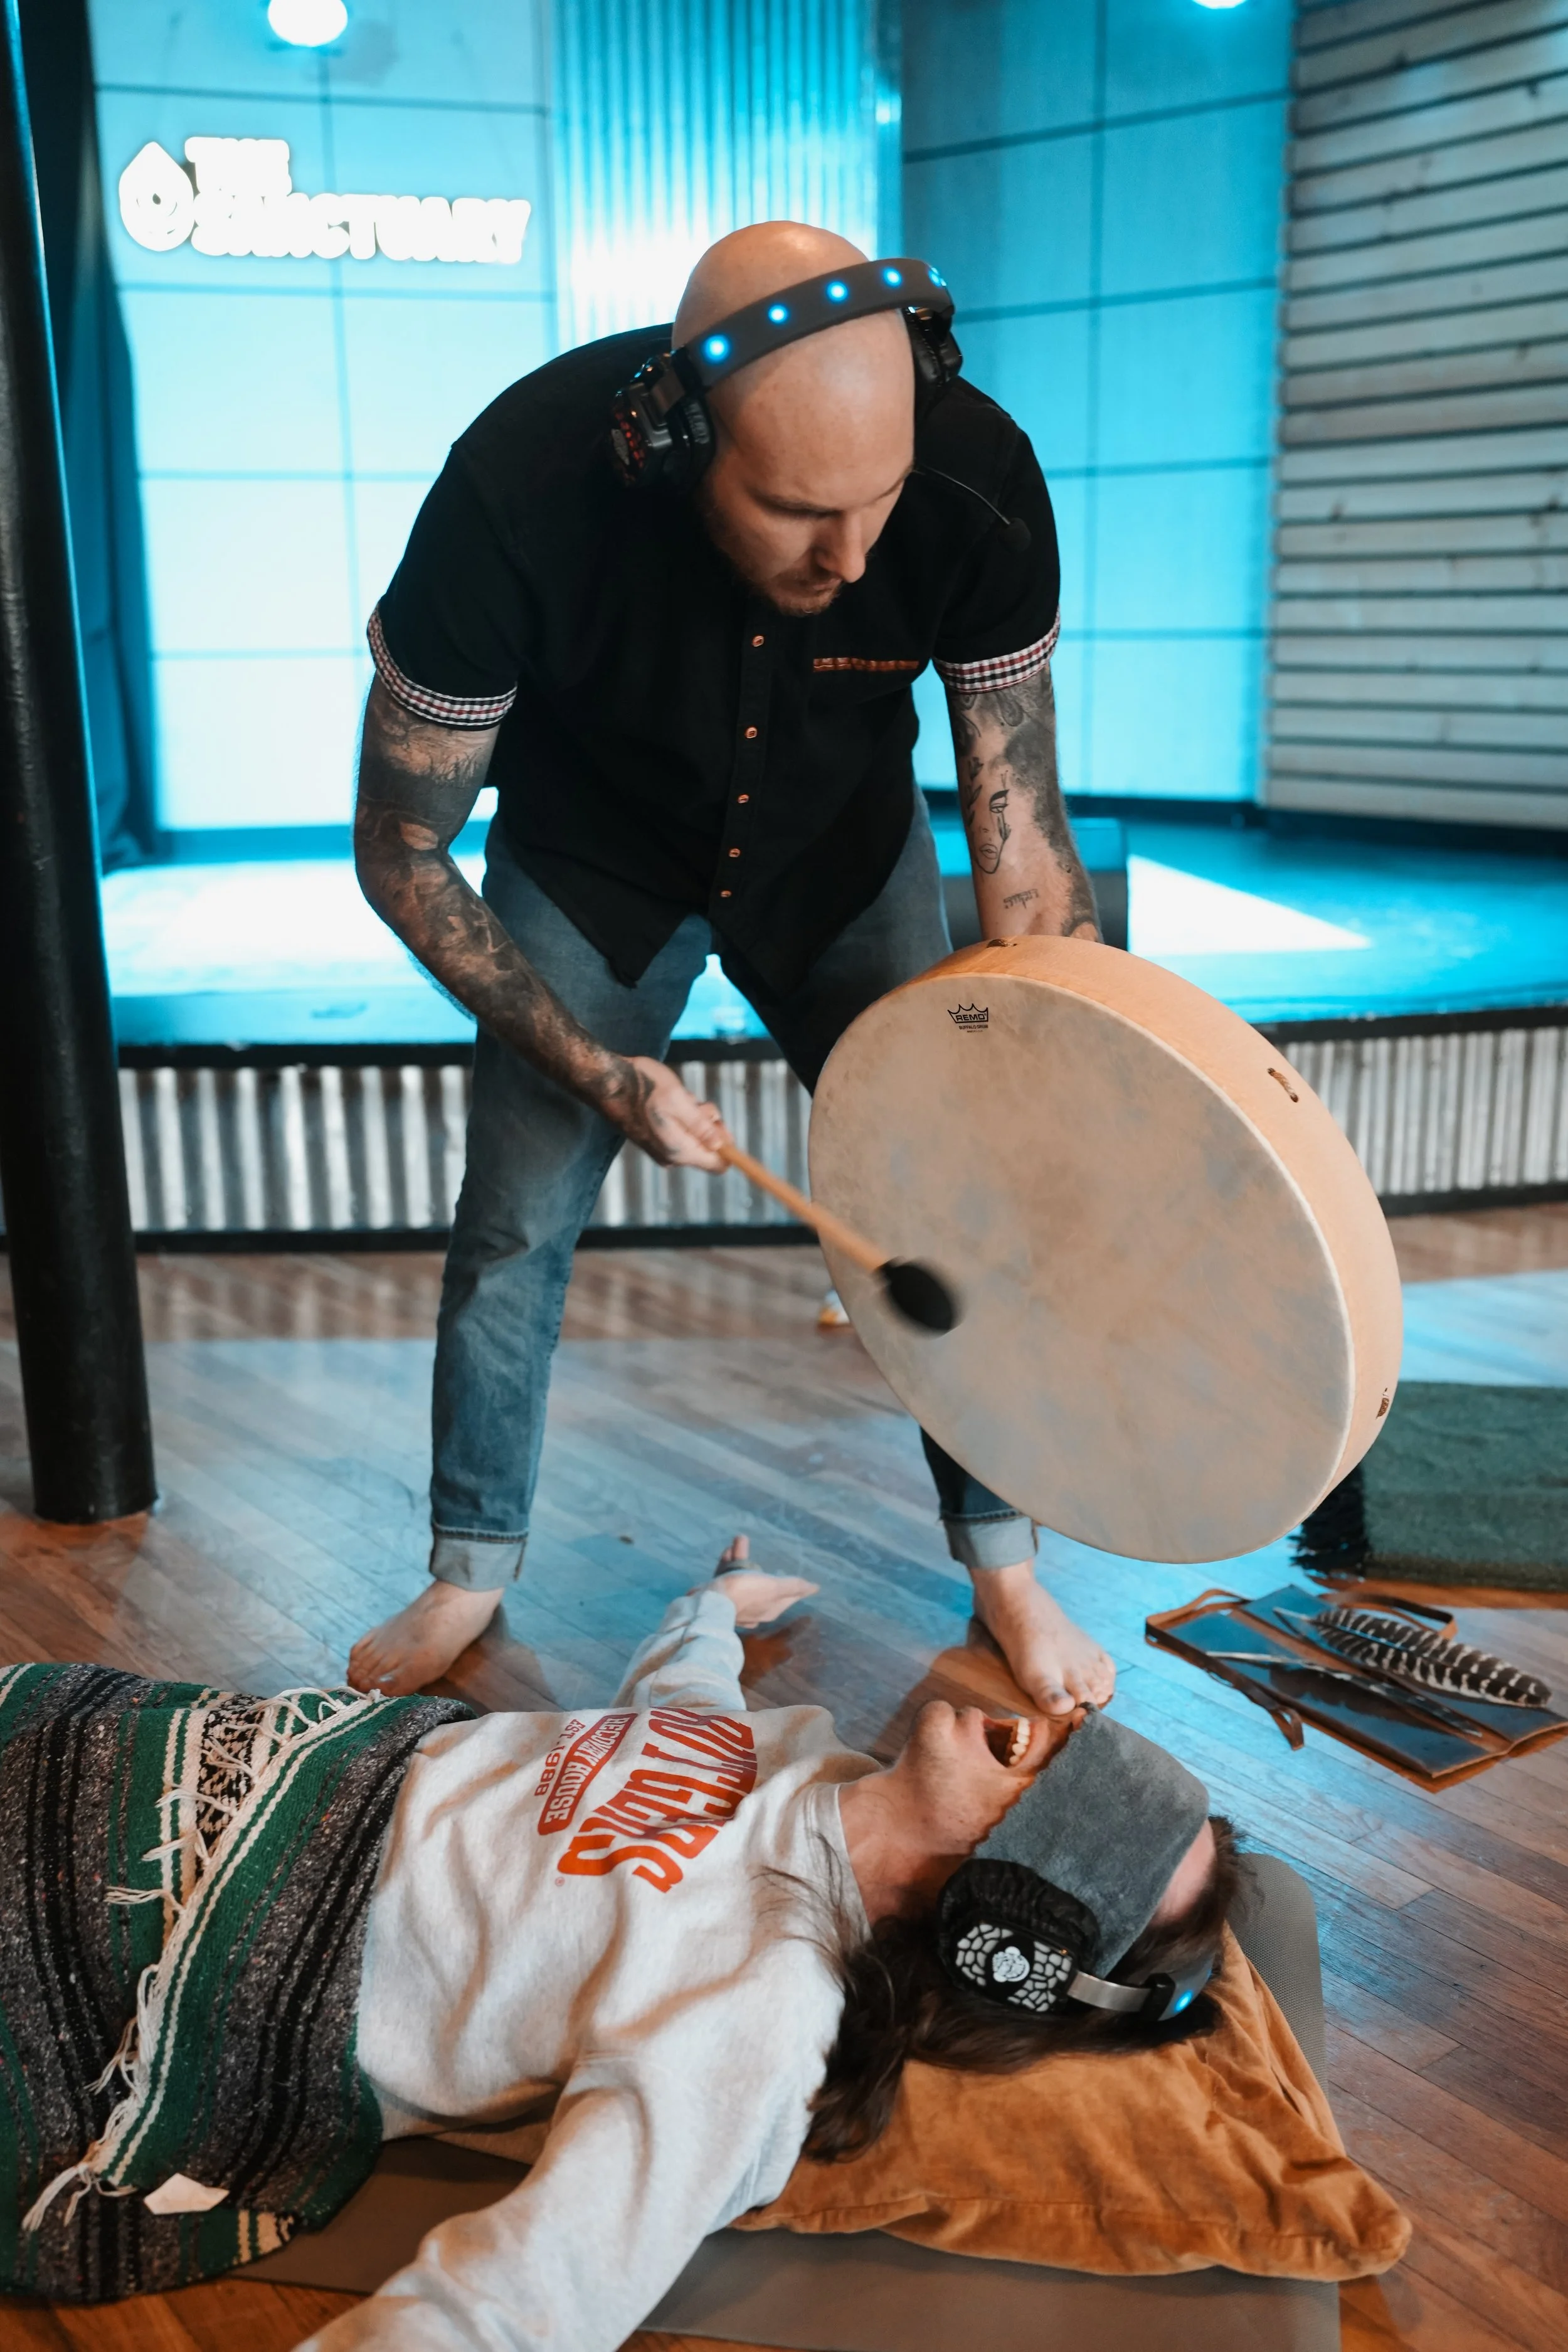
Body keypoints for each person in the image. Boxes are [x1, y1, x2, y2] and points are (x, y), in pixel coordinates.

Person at [345, 217, 1115, 1719]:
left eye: (876, 504)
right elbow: (402, 848)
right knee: (513, 1224)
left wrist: (1045, 1087)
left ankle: (1007, 1568)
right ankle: (469, 1568)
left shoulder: (976, 480)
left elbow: (1018, 829)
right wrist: (600, 1070)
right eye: (797, 512)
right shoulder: (512, 496)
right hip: (593, 869)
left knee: (946, 1203)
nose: (852, 556)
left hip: (841, 862)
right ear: (675, 440)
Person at [0, 1555, 1237, 2346]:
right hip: (248, 1754)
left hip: (183, 1919)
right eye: (1073, 1744)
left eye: (1062, 1796)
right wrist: (713, 1609)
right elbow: (680, 1704)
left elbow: (526, 2299)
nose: (1035, 1728)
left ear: (1001, 1933)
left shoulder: (753, 2009)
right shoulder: (803, 1758)